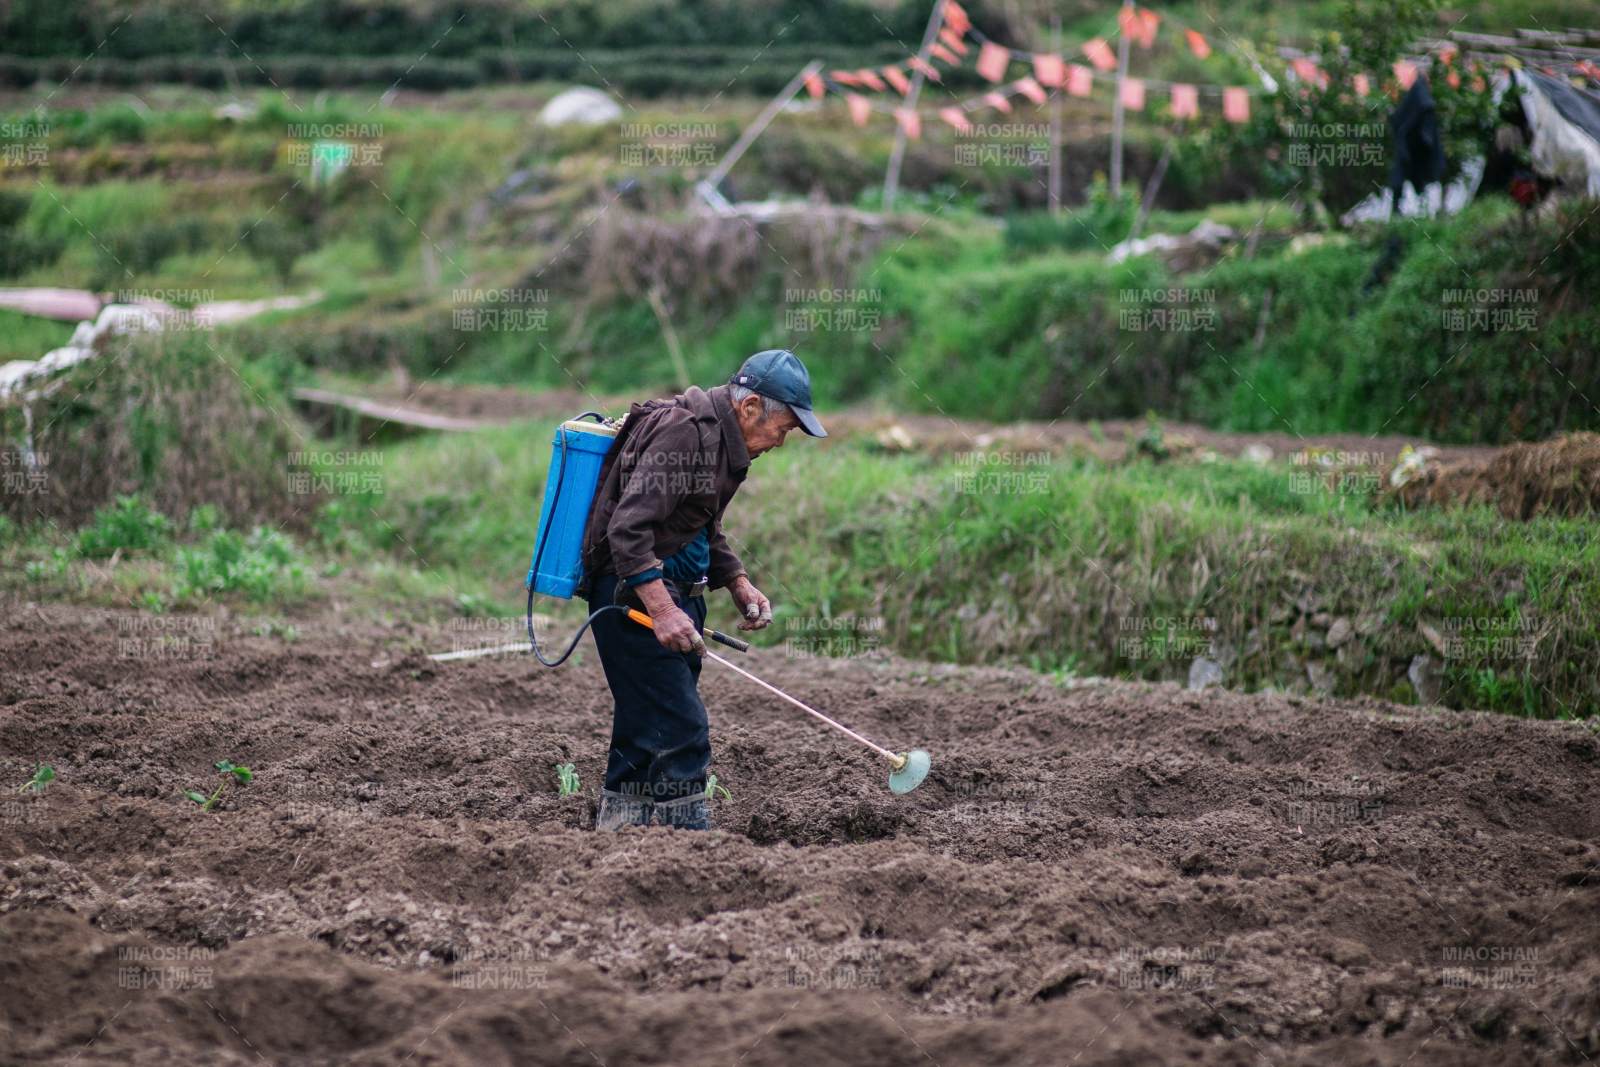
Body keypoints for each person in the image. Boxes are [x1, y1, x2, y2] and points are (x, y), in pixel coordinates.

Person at [579, 349, 826, 830]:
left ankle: (619, 829)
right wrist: (664, 609)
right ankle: (687, 847)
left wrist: (736, 581)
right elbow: (628, 529)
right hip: (632, 596)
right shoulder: (683, 433)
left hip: (675, 594)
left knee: (643, 720)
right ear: (751, 406)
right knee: (682, 726)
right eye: (786, 427)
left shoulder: (724, 442)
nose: (781, 441)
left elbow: (700, 523)